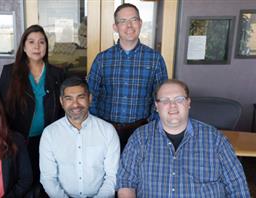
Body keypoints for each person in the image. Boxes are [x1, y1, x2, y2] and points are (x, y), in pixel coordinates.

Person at [116, 79, 251, 197]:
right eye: (165, 100)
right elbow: (126, 183)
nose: (172, 105)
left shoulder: (215, 139)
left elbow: (237, 186)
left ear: (188, 103)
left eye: (179, 99)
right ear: (156, 106)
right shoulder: (139, 138)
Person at [87, 3, 168, 150]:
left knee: (138, 171)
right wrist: (97, 125)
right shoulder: (102, 59)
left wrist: (151, 125)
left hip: (141, 130)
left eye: (133, 20)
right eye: (123, 21)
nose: (129, 25)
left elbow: (162, 98)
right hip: (106, 131)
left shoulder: (155, 59)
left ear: (140, 23)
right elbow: (90, 95)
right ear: (115, 27)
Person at [0, 24, 64, 186]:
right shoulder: (10, 72)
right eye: (31, 42)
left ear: (46, 47)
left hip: (49, 140)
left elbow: (63, 109)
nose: (37, 46)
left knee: (46, 182)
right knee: (22, 181)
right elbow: (0, 106)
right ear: (24, 47)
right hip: (18, 139)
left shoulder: (57, 74)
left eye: (42, 42)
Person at [39, 76, 120, 197]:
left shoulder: (108, 131)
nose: (75, 104)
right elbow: (48, 178)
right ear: (62, 101)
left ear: (90, 98)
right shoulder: (50, 133)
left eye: (81, 97)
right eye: (69, 99)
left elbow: (112, 176)